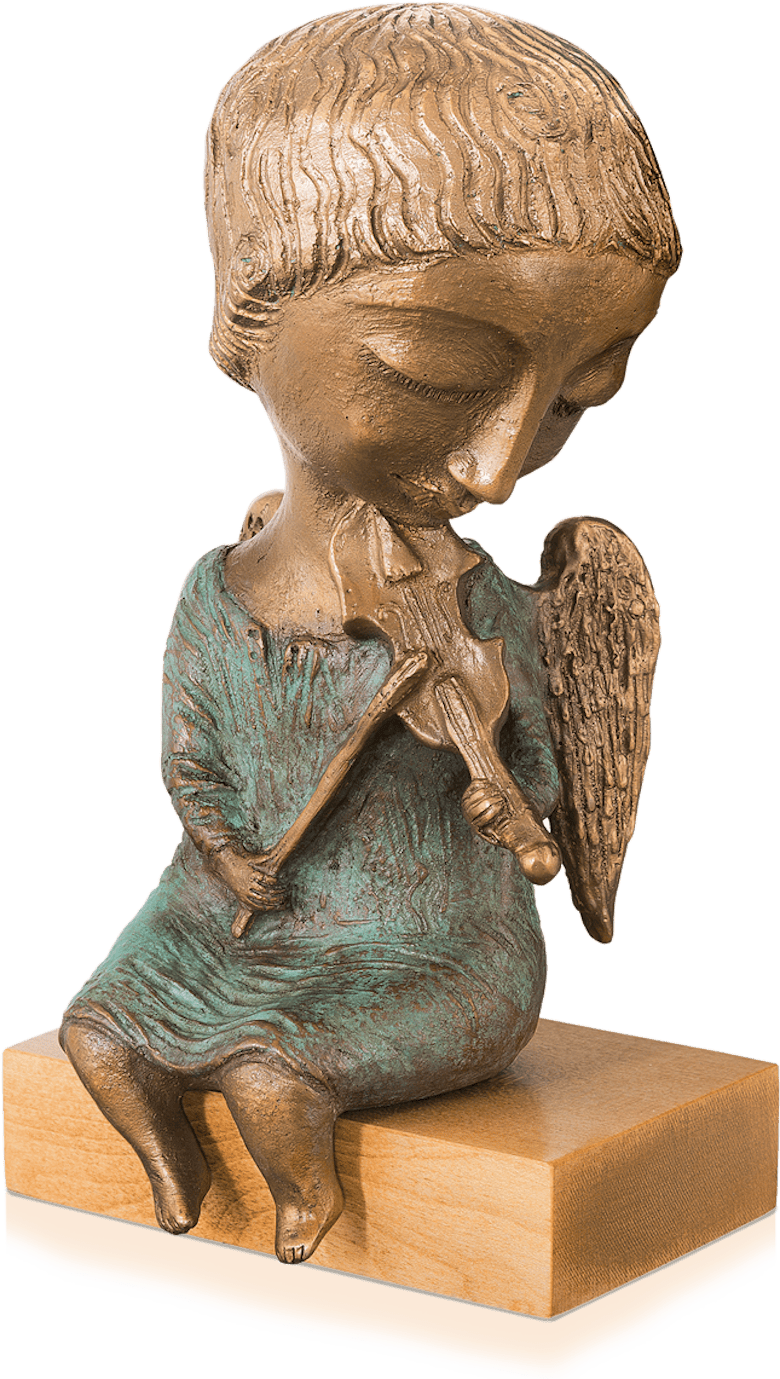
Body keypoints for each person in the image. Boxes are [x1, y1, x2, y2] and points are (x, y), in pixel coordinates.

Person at [60, 3, 681, 1265]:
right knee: (103, 1028)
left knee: (273, 1062)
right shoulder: (216, 590)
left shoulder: (489, 609)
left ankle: (303, 1195)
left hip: (439, 937)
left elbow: (546, 781)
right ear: (248, 322)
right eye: (434, 375)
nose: (500, 469)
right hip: (232, 904)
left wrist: (511, 789)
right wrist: (227, 854)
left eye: (578, 395)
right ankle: (171, 1172)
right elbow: (189, 758)